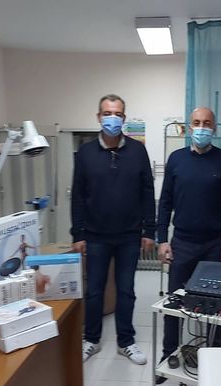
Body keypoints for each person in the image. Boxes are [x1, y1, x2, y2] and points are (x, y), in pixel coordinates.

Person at [157, 107, 221, 383]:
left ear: (214, 128)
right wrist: (162, 239)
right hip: (182, 242)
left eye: (207, 123)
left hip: (215, 244)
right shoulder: (176, 159)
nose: (201, 127)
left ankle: (214, 355)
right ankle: (168, 353)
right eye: (196, 122)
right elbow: (166, 202)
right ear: (189, 127)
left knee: (216, 305)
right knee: (174, 304)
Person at [71, 94, 156, 364]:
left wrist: (149, 231)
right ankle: (91, 339)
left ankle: (126, 341)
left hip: (129, 235)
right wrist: (78, 234)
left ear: (124, 118)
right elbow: (78, 196)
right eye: (107, 113)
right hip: (95, 236)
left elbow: (147, 191)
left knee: (126, 290)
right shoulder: (85, 153)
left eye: (118, 114)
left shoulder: (137, 150)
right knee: (94, 291)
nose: (112, 118)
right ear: (98, 117)